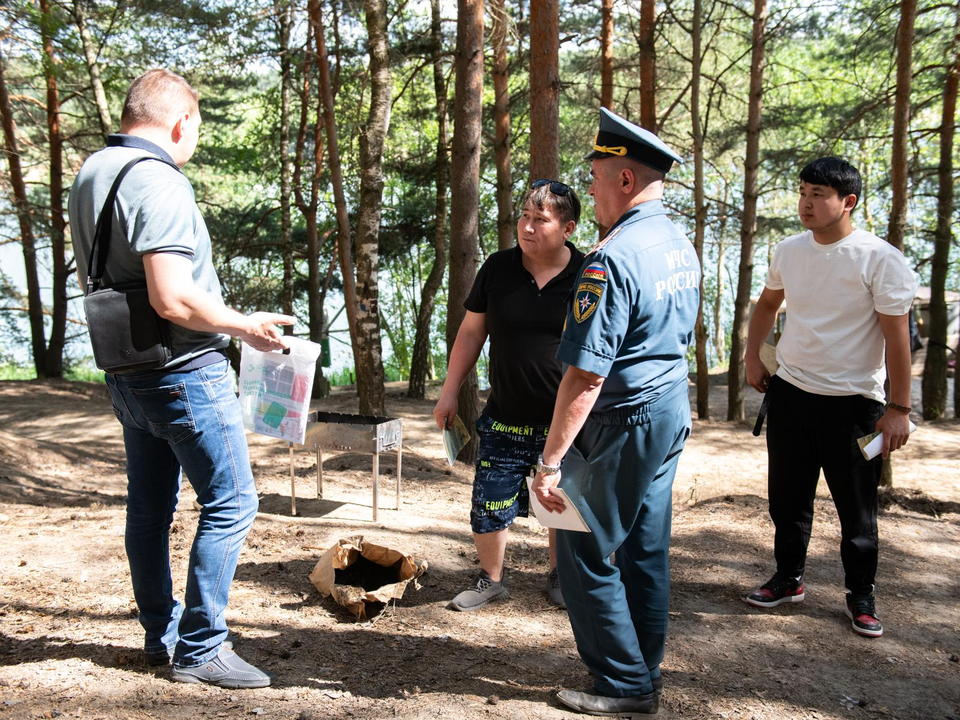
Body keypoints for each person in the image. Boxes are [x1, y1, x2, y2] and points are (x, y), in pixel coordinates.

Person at [69, 69, 293, 688]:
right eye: (196, 126)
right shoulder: (159, 180)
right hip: (181, 369)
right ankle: (201, 647)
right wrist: (245, 325)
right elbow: (172, 297)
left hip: (127, 369)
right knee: (233, 500)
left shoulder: (93, 170)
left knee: (149, 504)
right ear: (180, 122)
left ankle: (160, 635)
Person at [530, 108, 697, 717]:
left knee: (580, 542)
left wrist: (550, 462)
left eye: (596, 178)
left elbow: (586, 373)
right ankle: (642, 670)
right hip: (668, 408)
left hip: (622, 419)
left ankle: (623, 685)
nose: (592, 190)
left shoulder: (610, 258)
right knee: (644, 548)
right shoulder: (678, 242)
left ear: (624, 180)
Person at [743, 156, 916, 639]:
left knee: (856, 510)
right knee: (788, 498)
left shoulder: (879, 258)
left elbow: (897, 339)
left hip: (854, 402)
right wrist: (753, 359)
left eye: (820, 194)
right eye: (803, 191)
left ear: (848, 202)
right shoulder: (790, 250)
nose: (807, 202)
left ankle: (861, 596)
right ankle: (788, 580)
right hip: (792, 393)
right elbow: (767, 304)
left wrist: (898, 410)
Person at [433, 180, 585, 611]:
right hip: (503, 416)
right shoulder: (498, 269)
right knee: (488, 501)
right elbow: (470, 333)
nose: (528, 227)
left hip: (564, 422)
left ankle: (559, 575)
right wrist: (449, 393)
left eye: (541, 219)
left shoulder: (588, 273)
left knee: (560, 503)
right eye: (524, 216)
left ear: (568, 228)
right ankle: (491, 579)